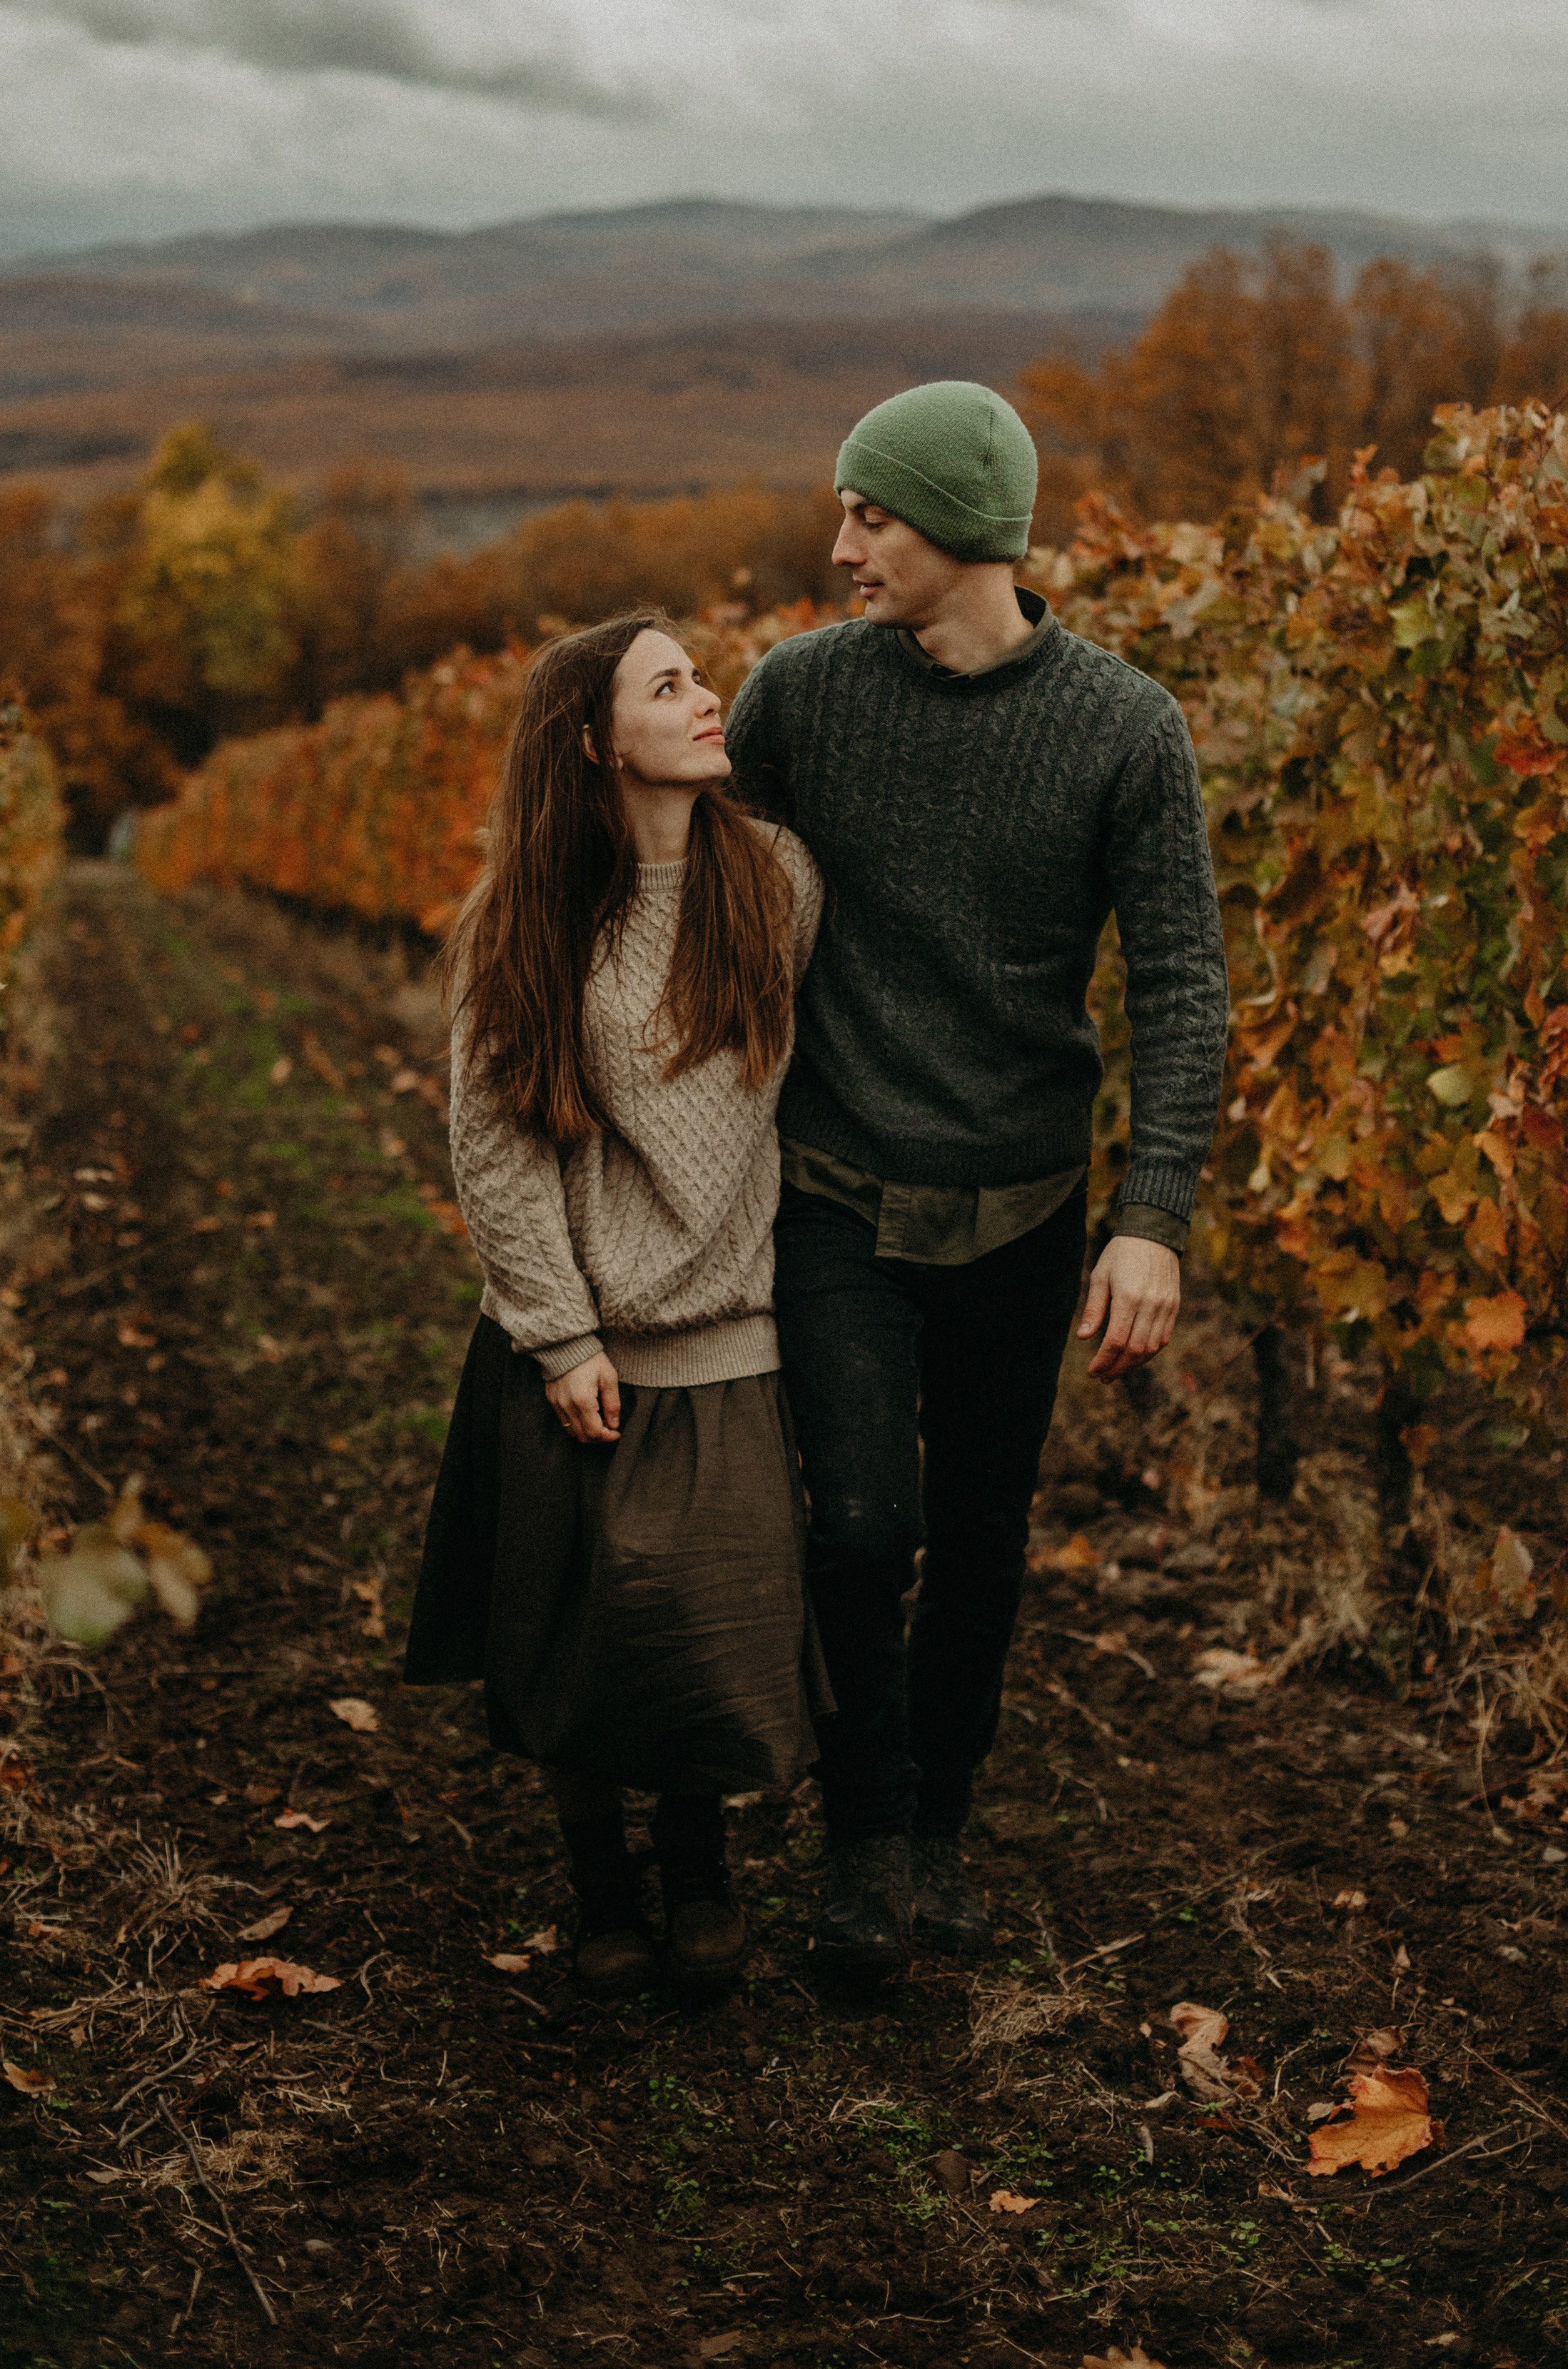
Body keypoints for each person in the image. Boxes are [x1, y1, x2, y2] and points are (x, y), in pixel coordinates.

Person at [724, 380, 1228, 1978]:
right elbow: (681, 884)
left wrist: (1149, 1222)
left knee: (983, 1536)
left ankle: (935, 1824)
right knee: (862, 1527)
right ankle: (860, 1831)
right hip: (833, 1185)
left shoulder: (1124, 729)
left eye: (867, 516)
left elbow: (1180, 989)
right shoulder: (797, 696)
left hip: (1021, 1204)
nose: (839, 544)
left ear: (953, 526)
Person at [405, 611, 827, 2001]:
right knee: (575, 1633)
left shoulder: (774, 880)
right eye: (670, 686)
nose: (710, 699)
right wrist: (558, 1332)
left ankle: (696, 1864)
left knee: (702, 1629)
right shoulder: (521, 924)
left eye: (699, 676)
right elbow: (495, 1142)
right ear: (595, 745)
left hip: (727, 1335)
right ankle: (600, 1886)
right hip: (574, 1341)